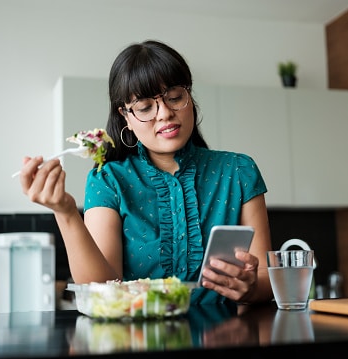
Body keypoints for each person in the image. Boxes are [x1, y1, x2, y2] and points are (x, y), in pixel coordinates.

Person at [18, 39, 273, 305]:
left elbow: (266, 278)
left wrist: (251, 287)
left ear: (190, 97)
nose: (164, 113)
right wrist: (66, 211)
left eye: (175, 97)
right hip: (139, 343)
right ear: (125, 117)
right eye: (144, 107)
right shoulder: (108, 180)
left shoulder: (239, 171)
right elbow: (99, 288)